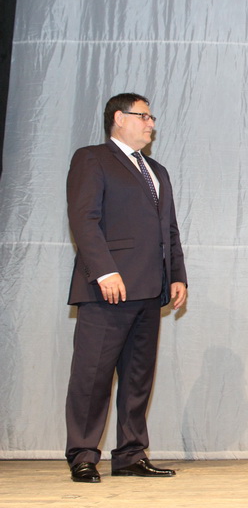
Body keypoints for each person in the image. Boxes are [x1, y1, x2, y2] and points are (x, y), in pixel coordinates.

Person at [65, 93, 187, 483]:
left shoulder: (157, 170)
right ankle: (83, 454)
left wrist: (177, 275)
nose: (151, 123)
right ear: (119, 118)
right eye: (144, 116)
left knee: (137, 378)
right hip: (108, 289)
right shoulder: (92, 159)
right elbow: (84, 220)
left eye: (152, 117)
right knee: (93, 376)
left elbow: (169, 230)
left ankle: (131, 454)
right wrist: (104, 272)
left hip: (150, 289)